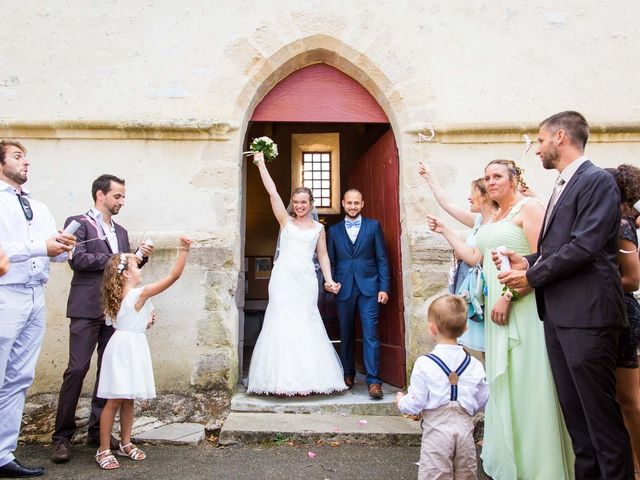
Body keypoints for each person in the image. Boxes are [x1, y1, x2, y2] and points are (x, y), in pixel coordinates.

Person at [498, 111, 634, 478]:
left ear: (560, 137)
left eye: (540, 140)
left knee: (601, 421)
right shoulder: (561, 184)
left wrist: (533, 278)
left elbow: (585, 247)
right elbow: (556, 247)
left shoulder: (598, 182)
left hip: (588, 316)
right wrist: (526, 262)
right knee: (577, 421)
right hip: (559, 316)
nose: (537, 148)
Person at [428, 159, 574, 479]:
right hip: (498, 309)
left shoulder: (530, 208)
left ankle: (541, 466)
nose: (491, 182)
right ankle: (513, 461)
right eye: (487, 177)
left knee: (529, 381)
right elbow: (478, 256)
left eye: (497, 177)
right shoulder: (496, 214)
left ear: (513, 179)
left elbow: (545, 261)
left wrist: (509, 296)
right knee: (507, 384)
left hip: (524, 305)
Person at [51, 174, 153, 463]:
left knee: (109, 373)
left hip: (114, 312)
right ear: (100, 195)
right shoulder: (79, 222)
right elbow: (77, 260)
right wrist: (119, 257)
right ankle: (62, 437)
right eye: (117, 196)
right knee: (77, 370)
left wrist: (138, 257)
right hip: (85, 307)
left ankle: (99, 433)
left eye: (123, 197)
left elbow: (124, 269)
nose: (122, 201)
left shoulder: (120, 231)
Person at [0, 140, 76, 478]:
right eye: (18, 157)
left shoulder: (39, 206)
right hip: (5, 292)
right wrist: (38, 246)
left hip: (35, 295)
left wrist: (62, 248)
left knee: (19, 377)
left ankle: (4, 454)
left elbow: (52, 254)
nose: (26, 163)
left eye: (26, 157)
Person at [246, 152, 346, 396]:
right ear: (292, 203)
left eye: (304, 202)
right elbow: (272, 193)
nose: (300, 206)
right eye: (296, 202)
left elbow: (322, 256)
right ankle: (279, 382)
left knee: (305, 322)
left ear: (311, 204)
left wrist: (330, 280)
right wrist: (260, 164)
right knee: (281, 322)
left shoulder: (319, 229)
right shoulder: (285, 222)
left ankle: (308, 380)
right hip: (283, 280)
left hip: (306, 281)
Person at [95, 236, 191, 470]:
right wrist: (183, 250)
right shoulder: (137, 294)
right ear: (126, 274)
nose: (140, 269)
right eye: (136, 266)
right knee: (115, 399)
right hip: (125, 349)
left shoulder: (125, 296)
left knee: (128, 398)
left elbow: (128, 320)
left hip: (131, 344)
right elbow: (173, 277)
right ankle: (103, 448)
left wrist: (144, 322)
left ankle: (125, 443)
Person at [396, 294, 488, 480]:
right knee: (466, 474)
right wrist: (467, 410)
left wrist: (401, 402)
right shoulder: (474, 364)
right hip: (464, 430)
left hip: (437, 433)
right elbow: (483, 397)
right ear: (466, 328)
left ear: (432, 328)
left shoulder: (424, 364)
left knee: (435, 475)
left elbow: (416, 402)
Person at [418, 161, 498, 353]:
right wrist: (430, 177)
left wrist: (445, 231)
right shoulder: (479, 220)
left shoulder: (494, 223)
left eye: (473, 193)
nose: (469, 198)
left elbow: (474, 258)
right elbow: (448, 205)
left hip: (485, 291)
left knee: (488, 348)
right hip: (470, 289)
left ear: (485, 196)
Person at [327, 189, 390, 399]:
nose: (353, 206)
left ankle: (373, 381)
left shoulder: (373, 226)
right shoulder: (334, 231)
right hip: (344, 288)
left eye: (356, 203)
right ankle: (348, 373)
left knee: (370, 333)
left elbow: (382, 258)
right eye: (349, 203)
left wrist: (384, 287)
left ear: (362, 204)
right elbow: (332, 261)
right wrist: (331, 283)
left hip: (370, 288)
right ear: (343, 204)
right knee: (345, 333)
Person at [607, 165, 640, 472]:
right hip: (613, 310)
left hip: (623, 312)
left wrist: (596, 282)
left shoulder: (621, 226)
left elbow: (633, 280)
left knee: (629, 400)